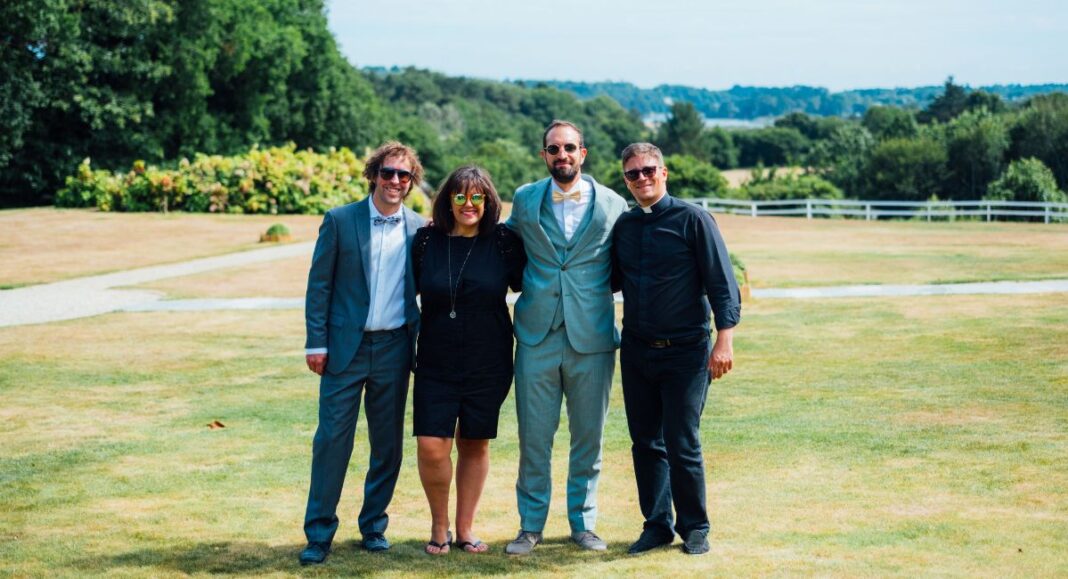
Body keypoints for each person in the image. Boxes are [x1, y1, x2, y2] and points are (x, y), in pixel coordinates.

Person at [503, 120, 629, 555]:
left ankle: (584, 522)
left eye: (570, 148)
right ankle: (530, 526)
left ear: (583, 153)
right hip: (536, 335)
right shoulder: (523, 199)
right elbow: (502, 247)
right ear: (544, 155)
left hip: (591, 337)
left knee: (588, 438)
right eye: (554, 149)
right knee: (533, 437)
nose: (563, 155)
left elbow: (628, 264)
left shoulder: (614, 205)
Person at [299, 141, 427, 565]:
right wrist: (316, 342)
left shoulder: (419, 229)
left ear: (411, 182)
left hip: (394, 348)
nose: (395, 181)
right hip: (344, 349)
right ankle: (319, 534)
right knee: (333, 439)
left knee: (387, 444)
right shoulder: (339, 221)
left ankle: (373, 526)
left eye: (403, 176)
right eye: (388, 173)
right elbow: (320, 286)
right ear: (374, 174)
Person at [611, 142, 741, 556]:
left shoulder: (694, 220)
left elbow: (723, 283)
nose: (642, 178)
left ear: (663, 172)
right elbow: (608, 280)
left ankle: (695, 527)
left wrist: (724, 339)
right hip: (635, 350)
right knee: (645, 442)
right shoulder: (626, 227)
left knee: (681, 441)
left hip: (686, 351)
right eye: (633, 174)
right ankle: (656, 525)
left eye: (648, 170)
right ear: (626, 180)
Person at [411, 165, 526, 555]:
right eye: (459, 196)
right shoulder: (426, 240)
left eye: (477, 196)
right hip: (434, 360)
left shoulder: (504, 242)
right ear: (447, 200)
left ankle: (464, 529)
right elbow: (406, 290)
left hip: (488, 360)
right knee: (431, 445)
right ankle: (438, 525)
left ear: (488, 201)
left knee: (474, 443)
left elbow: (534, 283)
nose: (468, 204)